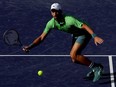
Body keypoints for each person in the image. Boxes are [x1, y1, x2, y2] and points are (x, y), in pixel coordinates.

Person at [23, 3, 104, 82]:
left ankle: (96, 68)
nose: (54, 13)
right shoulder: (51, 23)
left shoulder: (69, 19)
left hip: (84, 33)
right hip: (76, 35)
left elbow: (85, 26)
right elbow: (41, 37)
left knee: (73, 54)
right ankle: (96, 66)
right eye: (52, 11)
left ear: (60, 12)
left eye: (56, 11)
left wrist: (94, 36)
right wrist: (30, 47)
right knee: (74, 59)